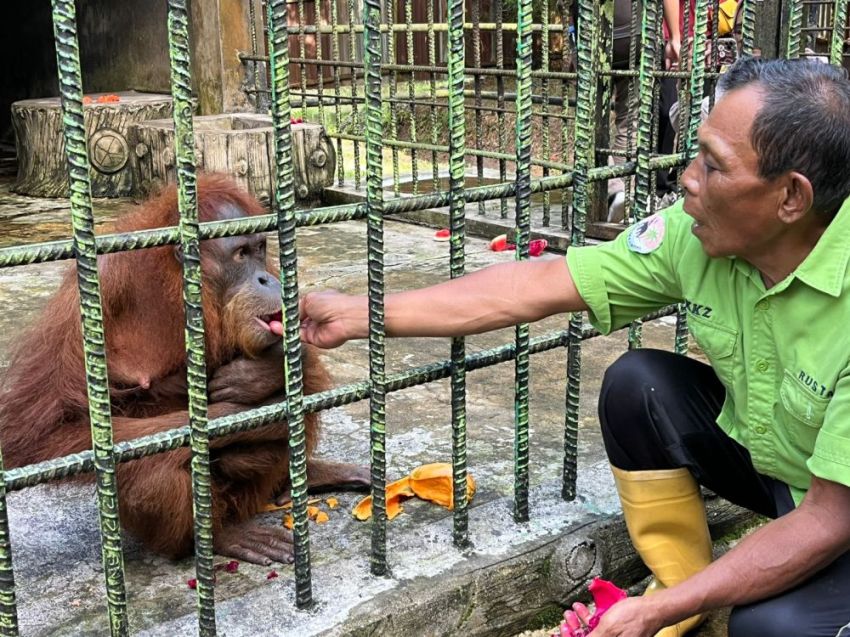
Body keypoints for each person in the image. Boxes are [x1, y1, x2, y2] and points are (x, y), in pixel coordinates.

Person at [295, 57, 850, 637]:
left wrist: (660, 608)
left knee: (771, 628)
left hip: (837, 506)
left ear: (791, 197)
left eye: (713, 166)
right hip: (780, 465)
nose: (687, 177)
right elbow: (535, 287)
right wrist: (364, 313)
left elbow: (831, 518)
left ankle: (676, 606)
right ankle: (685, 591)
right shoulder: (698, 235)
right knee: (639, 384)